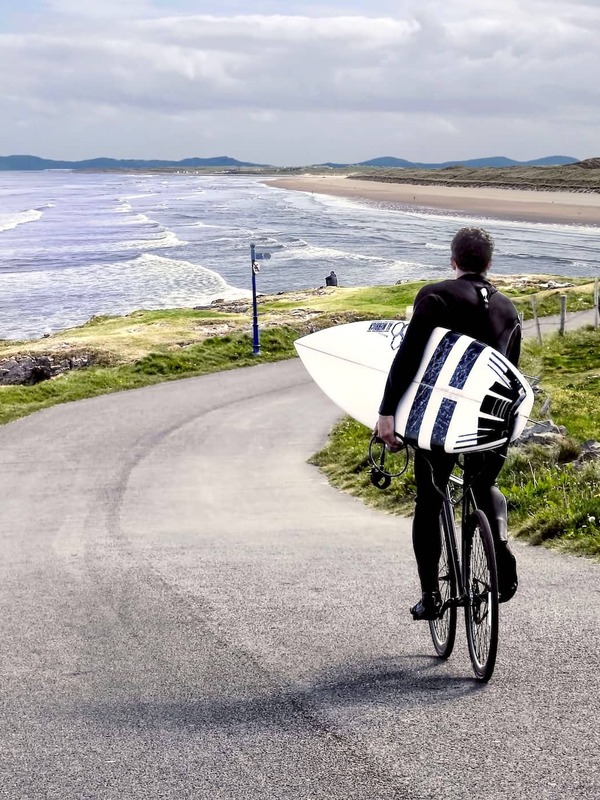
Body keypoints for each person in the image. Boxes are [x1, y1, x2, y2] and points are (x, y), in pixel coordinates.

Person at [375, 227, 520, 620]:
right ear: (489, 263)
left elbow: (408, 358)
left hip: (441, 424)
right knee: (484, 485)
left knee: (430, 498)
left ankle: (431, 596)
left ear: (453, 260)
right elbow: (512, 376)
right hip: (490, 425)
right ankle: (500, 547)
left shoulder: (436, 295)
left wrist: (388, 412)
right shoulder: (509, 309)